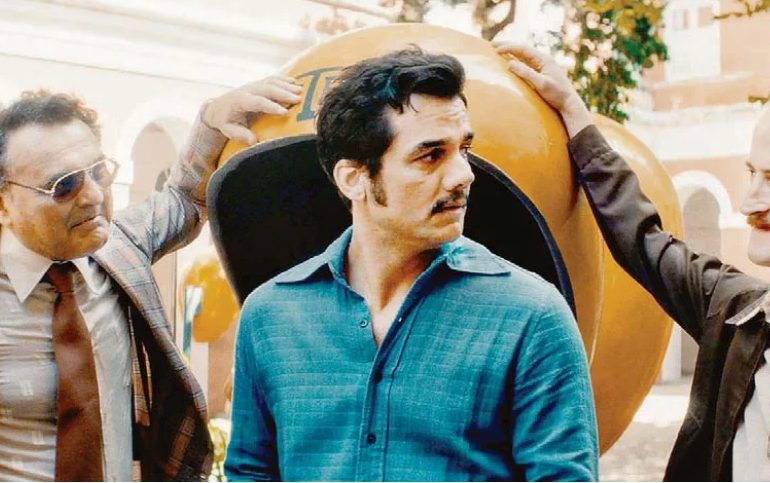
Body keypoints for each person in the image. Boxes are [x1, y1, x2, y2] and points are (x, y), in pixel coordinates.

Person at [224, 47, 598, 482]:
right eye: (430, 155)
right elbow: (250, 473)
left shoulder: (532, 316)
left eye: (463, 149)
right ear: (355, 179)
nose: (463, 175)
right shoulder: (270, 316)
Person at [495, 41, 770, 481]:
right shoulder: (737, 315)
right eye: (751, 174)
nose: (748, 203)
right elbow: (642, 238)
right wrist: (573, 111)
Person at [0, 75, 301, 481]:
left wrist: (212, 120)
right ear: (4, 204)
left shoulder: (120, 246)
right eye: (64, 185)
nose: (93, 196)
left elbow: (184, 197)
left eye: (99, 172)